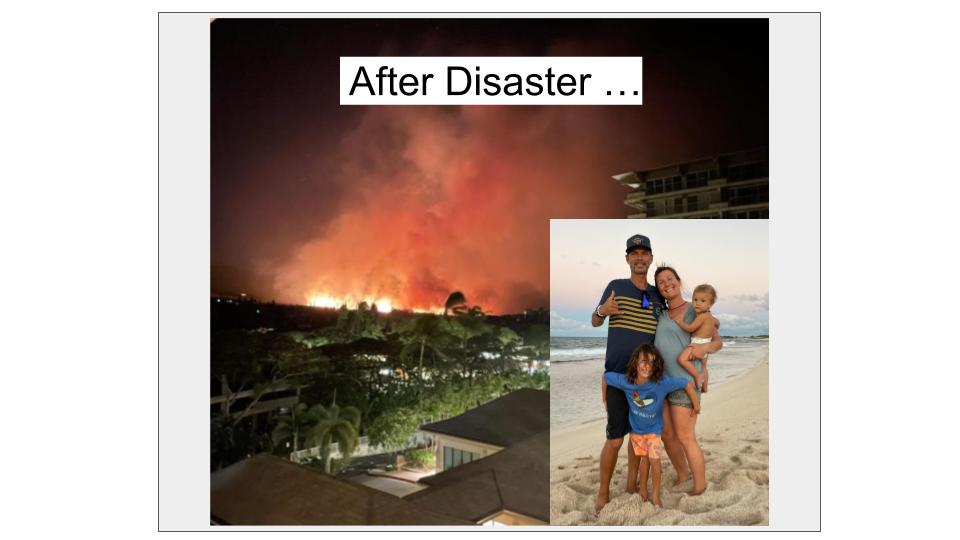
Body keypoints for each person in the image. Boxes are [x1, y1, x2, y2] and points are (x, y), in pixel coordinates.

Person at [591, 233, 665, 514]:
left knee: (638, 434)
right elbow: (595, 321)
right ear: (627, 258)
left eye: (644, 253)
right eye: (634, 254)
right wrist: (603, 309)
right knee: (614, 438)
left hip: (645, 379)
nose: (639, 258)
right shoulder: (616, 286)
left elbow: (671, 325)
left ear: (650, 258)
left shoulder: (657, 295)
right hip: (617, 376)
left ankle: (632, 484)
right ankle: (602, 492)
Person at [653, 266, 722, 496]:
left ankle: (700, 485)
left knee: (685, 436)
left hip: (685, 382)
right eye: (661, 282)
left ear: (678, 281)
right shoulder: (660, 314)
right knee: (667, 434)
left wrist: (705, 349)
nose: (666, 284)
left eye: (670, 279)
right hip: (662, 383)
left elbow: (717, 341)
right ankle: (683, 473)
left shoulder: (695, 308)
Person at [604, 343, 700, 507]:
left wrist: (696, 404)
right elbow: (606, 377)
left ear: (656, 366)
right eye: (643, 361)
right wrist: (605, 400)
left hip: (654, 431)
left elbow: (686, 384)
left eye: (651, 362)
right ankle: (643, 491)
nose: (646, 366)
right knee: (643, 460)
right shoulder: (627, 382)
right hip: (636, 432)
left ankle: (655, 495)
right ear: (635, 362)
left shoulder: (662, 383)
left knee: (655, 461)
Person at [673, 284, 720, 392]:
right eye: (695, 299)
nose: (697, 303)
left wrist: (680, 322)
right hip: (706, 343)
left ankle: (697, 375)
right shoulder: (710, 317)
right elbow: (718, 323)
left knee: (682, 359)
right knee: (704, 367)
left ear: (710, 304)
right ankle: (705, 387)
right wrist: (714, 325)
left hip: (697, 343)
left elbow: (690, 328)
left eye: (702, 301)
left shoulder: (702, 316)